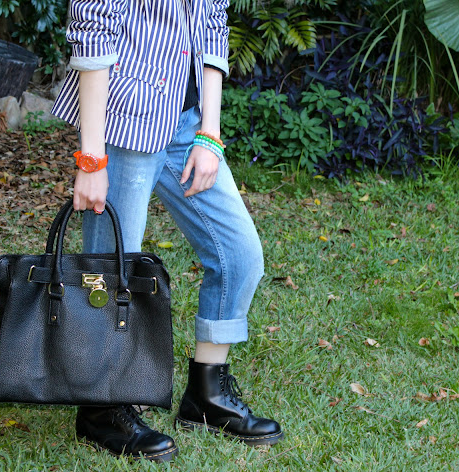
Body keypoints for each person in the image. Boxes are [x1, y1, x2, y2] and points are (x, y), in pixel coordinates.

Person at [51, 0, 283, 462]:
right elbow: (93, 32)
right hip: (125, 122)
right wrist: (92, 159)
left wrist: (209, 133)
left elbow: (212, 23)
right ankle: (102, 407)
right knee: (112, 270)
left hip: (186, 121)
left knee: (239, 255)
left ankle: (207, 396)